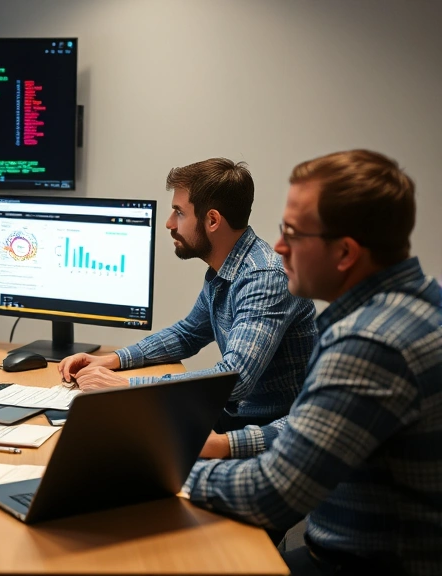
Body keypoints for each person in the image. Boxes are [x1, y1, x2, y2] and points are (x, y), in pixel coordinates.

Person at [183, 150, 442, 575]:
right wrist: (225, 445)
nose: (279, 247)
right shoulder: (419, 302)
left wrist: (164, 472)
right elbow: (313, 426)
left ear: (344, 253)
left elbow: (272, 491)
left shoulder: (368, 344)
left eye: (293, 233)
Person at [58, 158, 317, 442]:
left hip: (267, 433)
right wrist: (112, 360)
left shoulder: (264, 277)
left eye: (179, 213)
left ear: (213, 220)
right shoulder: (226, 269)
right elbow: (188, 334)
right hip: (232, 417)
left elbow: (234, 379)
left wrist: (126, 386)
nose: (169, 223)